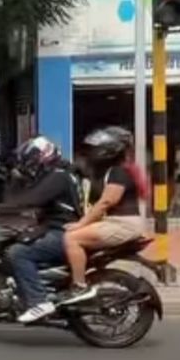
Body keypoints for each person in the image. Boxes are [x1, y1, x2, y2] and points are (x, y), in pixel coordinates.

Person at [0, 136, 82, 324]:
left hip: (61, 232)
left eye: (33, 162)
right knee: (13, 242)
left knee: (18, 253)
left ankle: (38, 302)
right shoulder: (58, 175)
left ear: (45, 157)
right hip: (54, 228)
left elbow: (31, 199)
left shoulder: (58, 176)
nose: (30, 168)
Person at [61, 127, 148, 308]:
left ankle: (79, 286)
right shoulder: (106, 172)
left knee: (72, 238)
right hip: (113, 222)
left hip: (123, 224)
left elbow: (106, 203)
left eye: (95, 149)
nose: (91, 153)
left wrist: (80, 225)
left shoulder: (119, 172)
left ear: (109, 151)